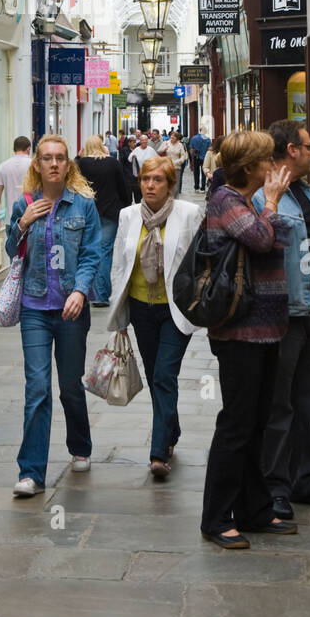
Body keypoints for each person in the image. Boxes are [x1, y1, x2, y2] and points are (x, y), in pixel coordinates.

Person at [199, 129, 294, 548]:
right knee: (236, 426)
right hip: (239, 331)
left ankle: (254, 511)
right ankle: (216, 518)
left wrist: (270, 218)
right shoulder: (226, 200)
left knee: (257, 424)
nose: (273, 165)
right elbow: (261, 238)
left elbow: (281, 240)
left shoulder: (248, 202)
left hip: (267, 328)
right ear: (251, 167)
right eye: (267, 159)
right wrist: (272, 205)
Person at [252, 121, 310, 519]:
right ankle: (274, 485)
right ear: (291, 150)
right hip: (282, 313)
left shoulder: (305, 193)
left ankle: (306, 476)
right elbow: (258, 247)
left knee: (306, 401)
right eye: (309, 146)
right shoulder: (263, 196)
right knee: (279, 403)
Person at [5, 135, 102, 497]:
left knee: (70, 386)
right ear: (37, 165)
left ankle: (80, 445)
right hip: (34, 308)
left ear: (68, 164)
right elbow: (11, 251)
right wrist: (22, 223)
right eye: (47, 158)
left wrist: (79, 290)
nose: (54, 164)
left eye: (60, 158)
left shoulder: (83, 206)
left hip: (70, 310)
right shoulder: (24, 204)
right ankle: (31, 472)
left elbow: (92, 254)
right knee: (38, 387)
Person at [107, 156, 202, 477]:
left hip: (175, 310)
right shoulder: (128, 215)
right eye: (146, 179)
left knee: (164, 375)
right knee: (155, 376)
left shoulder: (188, 214)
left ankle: (158, 452)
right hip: (140, 309)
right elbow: (119, 263)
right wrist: (118, 314)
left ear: (170, 185)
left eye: (157, 180)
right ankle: (171, 430)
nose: (149, 185)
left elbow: (199, 261)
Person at [75, 135, 131, 305]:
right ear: (101, 145)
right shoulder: (112, 163)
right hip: (110, 213)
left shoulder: (81, 164)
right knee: (105, 252)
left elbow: (73, 185)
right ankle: (101, 294)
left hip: (86, 212)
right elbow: (123, 186)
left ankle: (87, 290)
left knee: (87, 251)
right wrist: (126, 204)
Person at [0, 136, 31, 230]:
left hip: (10, 219)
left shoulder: (3, 166)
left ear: (14, 149)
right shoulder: (34, 165)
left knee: (11, 244)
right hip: (30, 218)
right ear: (28, 149)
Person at [129, 133, 158, 204]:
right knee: (138, 191)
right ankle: (139, 204)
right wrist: (133, 157)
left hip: (149, 174)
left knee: (147, 191)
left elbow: (157, 159)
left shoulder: (151, 150)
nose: (144, 142)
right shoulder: (136, 150)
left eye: (146, 141)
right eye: (143, 141)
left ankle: (147, 204)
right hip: (139, 175)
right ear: (140, 141)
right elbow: (129, 159)